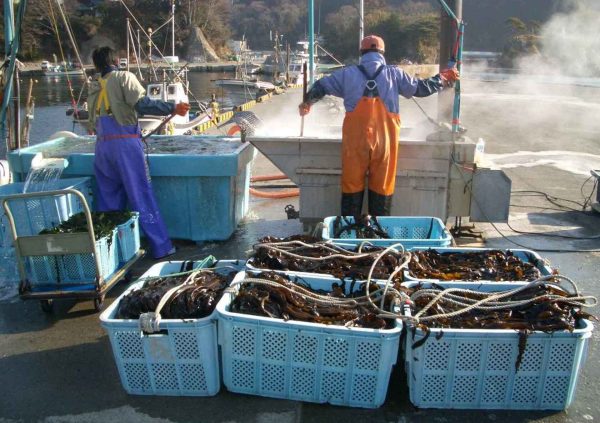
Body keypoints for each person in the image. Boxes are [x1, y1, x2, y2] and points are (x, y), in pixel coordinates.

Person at [298, 35, 459, 217]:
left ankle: (350, 231)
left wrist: (307, 102)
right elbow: (421, 89)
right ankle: (378, 232)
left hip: (355, 141)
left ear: (362, 52)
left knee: (351, 183)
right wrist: (444, 78)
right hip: (385, 140)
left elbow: (321, 86)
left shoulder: (347, 74)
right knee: (382, 185)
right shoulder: (395, 74)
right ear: (382, 53)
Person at [87, 46, 190, 259]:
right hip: (125, 146)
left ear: (97, 65)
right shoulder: (124, 77)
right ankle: (162, 247)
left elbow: (91, 120)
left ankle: (109, 256)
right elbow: (142, 104)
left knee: (107, 202)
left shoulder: (94, 86)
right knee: (140, 194)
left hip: (102, 147)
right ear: (116, 60)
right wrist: (173, 108)